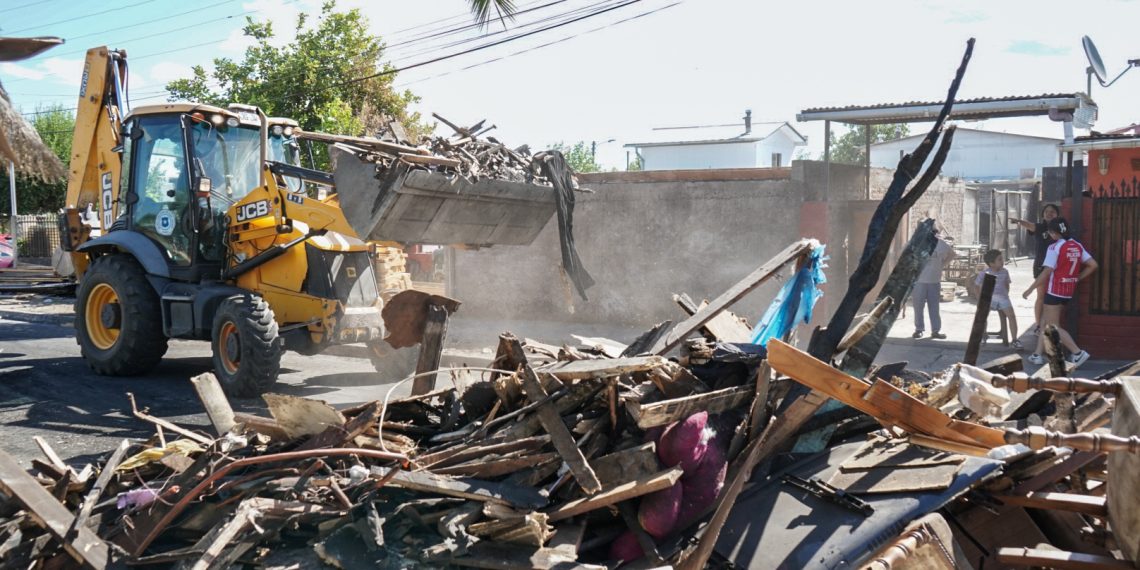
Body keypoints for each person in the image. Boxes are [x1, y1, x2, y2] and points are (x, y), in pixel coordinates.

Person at [1021, 217, 1098, 365]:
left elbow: (1046, 272)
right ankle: (1037, 354)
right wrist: (1076, 278)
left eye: (1050, 232)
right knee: (1045, 319)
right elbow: (1093, 265)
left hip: (1054, 290)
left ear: (1054, 233)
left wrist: (1030, 289)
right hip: (1068, 290)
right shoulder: (1076, 245)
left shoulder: (1054, 247)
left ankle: (1077, 353)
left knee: (1053, 327)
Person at [1009, 203, 1060, 330]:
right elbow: (1029, 225)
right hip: (1040, 266)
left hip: (1057, 267)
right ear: (1043, 214)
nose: (1049, 213)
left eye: (1052, 211)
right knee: (1041, 296)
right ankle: (1038, 325)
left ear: (1057, 214)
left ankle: (1050, 324)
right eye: (1046, 211)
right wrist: (1018, 221)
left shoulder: (1061, 228)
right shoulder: (1040, 227)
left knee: (1053, 296)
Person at [913, 228, 957, 339]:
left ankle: (935, 331)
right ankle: (919, 329)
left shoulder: (941, 244)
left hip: (934, 281)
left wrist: (942, 264)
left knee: (934, 307)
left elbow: (952, 254)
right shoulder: (917, 243)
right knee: (918, 307)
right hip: (919, 281)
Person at [976, 249, 1021, 349]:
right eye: (999, 259)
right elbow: (977, 286)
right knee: (982, 316)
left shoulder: (1005, 272)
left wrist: (1005, 296)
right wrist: (980, 299)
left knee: (1012, 316)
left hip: (1003, 298)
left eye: (1002, 259)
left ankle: (1015, 340)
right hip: (988, 299)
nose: (1002, 261)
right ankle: (982, 336)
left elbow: (1007, 285)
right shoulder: (984, 273)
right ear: (991, 263)